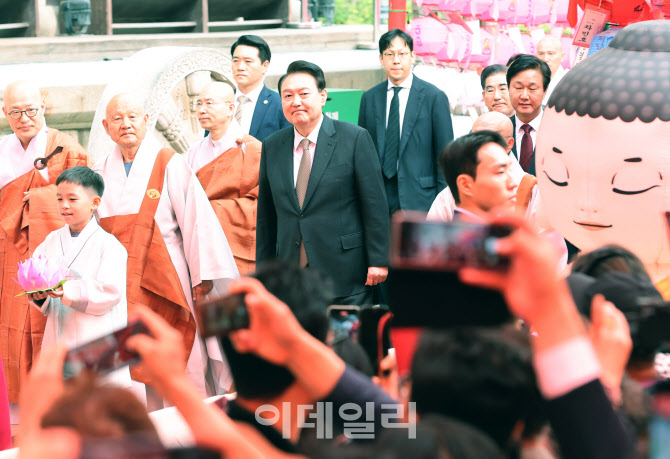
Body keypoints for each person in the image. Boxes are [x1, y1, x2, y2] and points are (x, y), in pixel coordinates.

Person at [93, 93, 239, 405]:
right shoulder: (99, 172)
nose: (126, 124)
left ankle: (189, 420)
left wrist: (203, 275)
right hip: (118, 285)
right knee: (132, 354)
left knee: (178, 346)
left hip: (169, 277)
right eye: (117, 118)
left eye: (132, 116)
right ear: (106, 127)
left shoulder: (169, 162)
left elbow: (196, 221)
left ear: (146, 121)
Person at [257, 60, 390, 305]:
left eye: (304, 94)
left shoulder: (354, 138)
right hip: (291, 273)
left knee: (344, 341)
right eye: (287, 96)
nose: (295, 101)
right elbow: (266, 216)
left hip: (345, 270)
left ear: (322, 96)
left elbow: (374, 205)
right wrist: (263, 275)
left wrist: (378, 259)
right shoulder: (272, 145)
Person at [0, 80, 90, 406]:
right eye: (15, 112)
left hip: (51, 258)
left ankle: (55, 405)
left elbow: (85, 200)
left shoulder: (66, 147)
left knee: (48, 326)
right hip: (8, 256)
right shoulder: (2, 151)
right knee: (9, 332)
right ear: (4, 112)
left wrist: (38, 199)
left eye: (31, 109)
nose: (24, 118)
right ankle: (16, 412)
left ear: (44, 106)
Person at [27, 166, 130, 388]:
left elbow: (110, 293)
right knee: (62, 402)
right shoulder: (51, 241)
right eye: (59, 199)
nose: (64, 205)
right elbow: (36, 275)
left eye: (72, 199)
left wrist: (66, 291)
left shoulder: (110, 245)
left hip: (96, 333)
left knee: (96, 404)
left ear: (95, 203)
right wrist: (38, 294)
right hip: (60, 330)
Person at [358, 28, 454, 214]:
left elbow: (445, 155)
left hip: (421, 197)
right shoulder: (369, 98)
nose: (396, 60)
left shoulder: (434, 97)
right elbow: (363, 151)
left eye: (402, 54)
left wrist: (443, 202)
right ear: (381, 59)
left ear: (412, 57)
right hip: (379, 196)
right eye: (389, 54)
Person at [186, 82, 261, 275]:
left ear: (230, 108)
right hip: (201, 243)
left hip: (238, 244)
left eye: (209, 103)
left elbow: (261, 202)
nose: (202, 110)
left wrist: (215, 210)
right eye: (198, 104)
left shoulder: (250, 148)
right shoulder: (193, 152)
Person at [428, 111, 538, 222]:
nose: (479, 145)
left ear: (509, 144)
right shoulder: (450, 193)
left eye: (490, 139)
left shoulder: (529, 187)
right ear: (465, 185)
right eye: (475, 138)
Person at [438, 130, 518, 222]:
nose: (513, 184)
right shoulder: (464, 235)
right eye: (500, 172)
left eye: (510, 170)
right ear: (466, 185)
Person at [231, 34, 290, 142]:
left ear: (265, 65)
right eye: (235, 61)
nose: (240, 67)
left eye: (248, 61)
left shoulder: (280, 104)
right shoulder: (221, 100)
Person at [507, 54, 551, 174]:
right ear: (508, 88)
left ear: (545, 90)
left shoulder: (559, 130)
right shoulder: (500, 130)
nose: (524, 96)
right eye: (518, 87)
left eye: (532, 89)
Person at [536, 36, 567, 107]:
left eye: (550, 53)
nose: (545, 59)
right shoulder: (530, 79)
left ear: (562, 56)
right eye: (541, 54)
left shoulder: (570, 79)